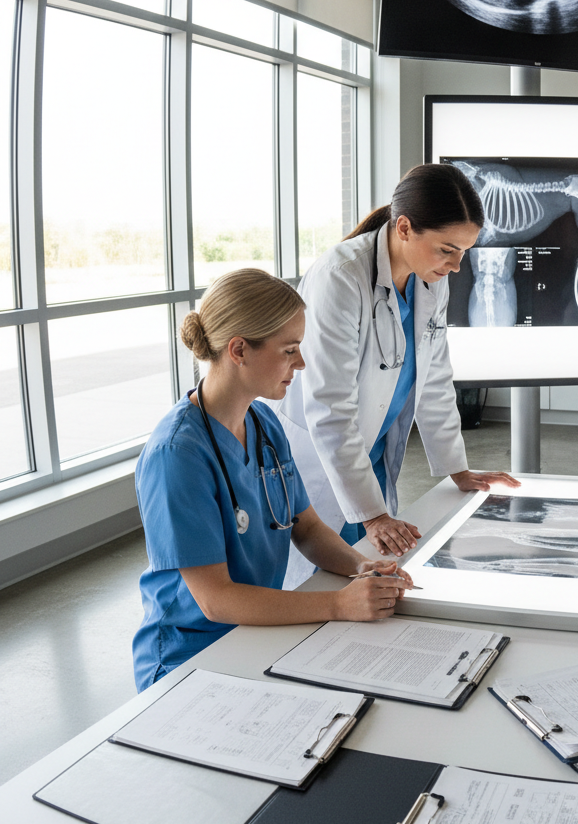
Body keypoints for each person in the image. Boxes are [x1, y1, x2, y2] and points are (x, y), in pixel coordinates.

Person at [132, 269, 412, 692]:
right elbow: (216, 599)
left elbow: (308, 528)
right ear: (239, 350)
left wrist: (361, 567)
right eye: (289, 350)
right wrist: (338, 604)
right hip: (188, 659)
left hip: (256, 633)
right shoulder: (177, 455)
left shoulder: (263, 422)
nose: (300, 363)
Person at [277, 163, 518, 576]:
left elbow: (436, 377)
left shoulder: (431, 278)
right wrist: (372, 515)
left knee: (369, 574)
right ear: (404, 227)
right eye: (447, 249)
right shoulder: (340, 277)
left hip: (371, 448)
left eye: (464, 251)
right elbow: (329, 407)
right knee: (316, 583)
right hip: (323, 456)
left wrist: (456, 468)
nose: (458, 266)